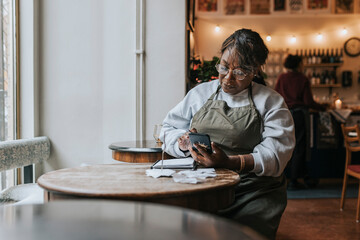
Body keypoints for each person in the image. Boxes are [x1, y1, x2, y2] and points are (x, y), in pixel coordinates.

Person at [160, 29, 295, 240]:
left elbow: (277, 155)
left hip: (253, 192)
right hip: (204, 185)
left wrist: (230, 162)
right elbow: (168, 128)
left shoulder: (271, 102)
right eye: (224, 67)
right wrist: (183, 144)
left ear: (256, 71)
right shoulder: (200, 93)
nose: (228, 78)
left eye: (240, 72)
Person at [275, 54, 328, 190]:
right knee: (299, 146)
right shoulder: (302, 78)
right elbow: (308, 102)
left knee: (285, 145)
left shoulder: (282, 77)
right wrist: (323, 107)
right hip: (299, 115)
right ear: (299, 64)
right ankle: (294, 180)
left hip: (284, 115)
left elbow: (275, 96)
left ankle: (288, 177)